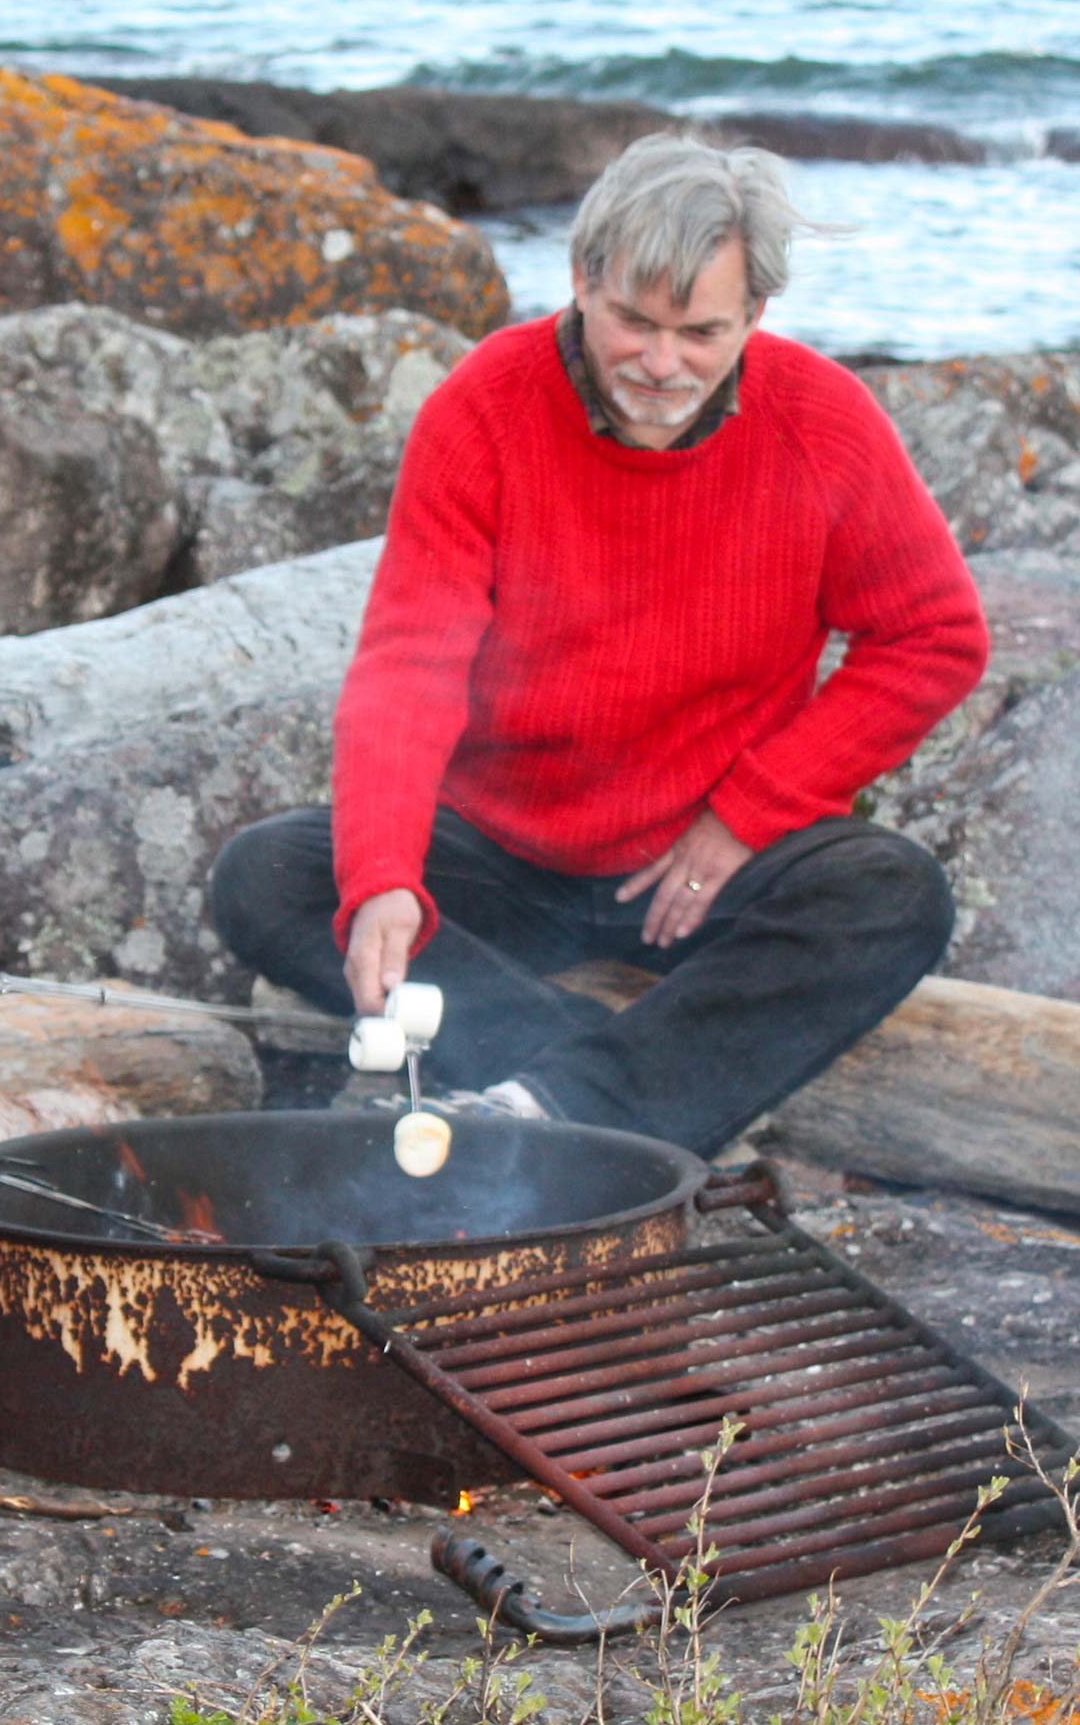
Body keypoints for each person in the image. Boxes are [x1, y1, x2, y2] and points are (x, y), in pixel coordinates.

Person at [209, 133, 989, 1156]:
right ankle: (591, 1079)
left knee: (894, 893)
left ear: (755, 314)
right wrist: (387, 875)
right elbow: (409, 669)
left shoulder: (823, 422)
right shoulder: (484, 409)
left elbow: (934, 636)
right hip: (503, 853)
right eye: (633, 319)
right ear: (581, 279)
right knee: (268, 877)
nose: (662, 365)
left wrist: (747, 814)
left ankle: (554, 1105)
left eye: (702, 331)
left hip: (703, 863)